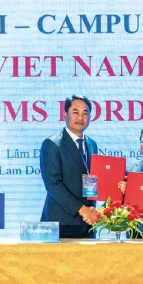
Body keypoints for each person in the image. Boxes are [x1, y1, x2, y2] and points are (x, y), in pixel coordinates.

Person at [40, 95, 99, 238]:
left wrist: (92, 212)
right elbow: (53, 185)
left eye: (85, 113)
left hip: (88, 223)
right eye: (75, 112)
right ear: (65, 115)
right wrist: (83, 210)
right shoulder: (52, 143)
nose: (81, 117)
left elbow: (91, 180)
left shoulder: (92, 144)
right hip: (61, 224)